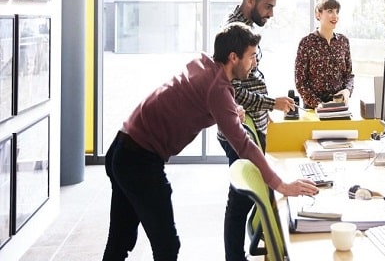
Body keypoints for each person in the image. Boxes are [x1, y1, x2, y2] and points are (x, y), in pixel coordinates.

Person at [102, 22, 317, 261]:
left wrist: (232, 108)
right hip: (138, 159)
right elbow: (243, 145)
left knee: (120, 239)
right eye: (252, 56)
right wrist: (281, 185)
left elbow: (202, 95)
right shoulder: (217, 89)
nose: (255, 62)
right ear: (233, 57)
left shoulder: (205, 65)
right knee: (166, 245)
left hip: (121, 148)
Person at [219, 0, 295, 261]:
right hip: (238, 128)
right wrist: (269, 103)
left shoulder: (246, 27)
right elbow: (235, 90)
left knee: (243, 198)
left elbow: (251, 78)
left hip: (252, 123)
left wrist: (265, 110)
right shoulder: (233, 31)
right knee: (237, 202)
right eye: (267, 6)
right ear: (250, 0)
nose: (271, 13)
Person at [295, 0, 354, 109]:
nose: (335, 16)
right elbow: (300, 82)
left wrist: (347, 91)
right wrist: (318, 104)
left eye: (337, 12)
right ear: (318, 14)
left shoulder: (343, 41)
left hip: (340, 107)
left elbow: (349, 75)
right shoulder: (306, 43)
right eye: (330, 11)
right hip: (314, 110)